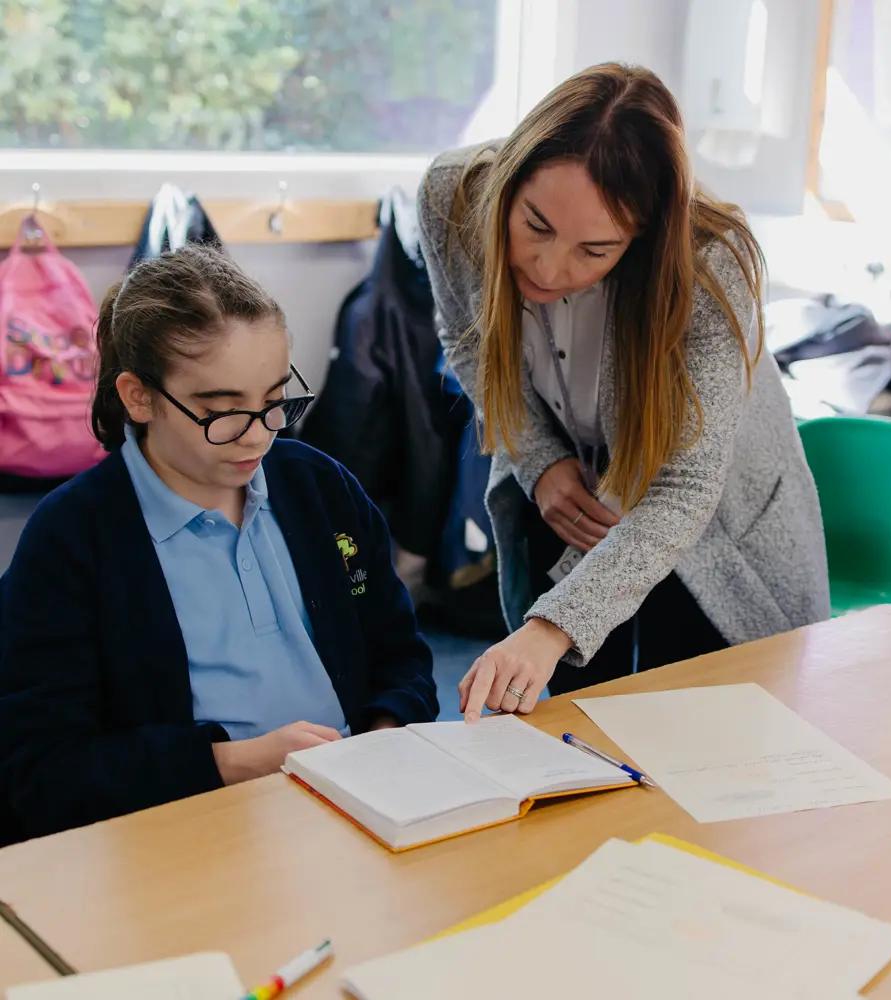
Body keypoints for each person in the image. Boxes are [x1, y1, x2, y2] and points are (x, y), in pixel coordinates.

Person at [417, 63, 829, 723]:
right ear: (514, 177)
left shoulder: (709, 262)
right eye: (537, 225)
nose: (550, 269)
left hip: (708, 523)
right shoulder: (452, 195)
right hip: (570, 497)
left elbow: (686, 490)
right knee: (578, 726)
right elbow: (468, 337)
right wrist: (540, 461)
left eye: (595, 249)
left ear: (643, 237)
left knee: (703, 733)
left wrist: (553, 629)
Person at [0, 245, 437, 843]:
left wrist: (386, 730)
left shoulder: (319, 487)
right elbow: (42, 769)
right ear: (138, 397)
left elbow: (399, 652)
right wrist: (233, 763)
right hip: (185, 832)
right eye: (221, 411)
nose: (257, 436)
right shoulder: (73, 538)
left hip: (352, 806)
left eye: (274, 400)